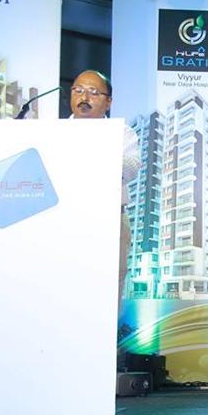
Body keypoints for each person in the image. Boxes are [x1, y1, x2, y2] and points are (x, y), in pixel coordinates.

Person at [68, 70, 141, 303]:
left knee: (110, 283)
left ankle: (108, 326)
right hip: (66, 216)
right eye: (78, 90)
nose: (84, 97)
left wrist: (95, 150)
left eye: (93, 92)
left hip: (111, 218)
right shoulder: (55, 133)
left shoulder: (122, 133)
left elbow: (131, 168)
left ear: (108, 102)